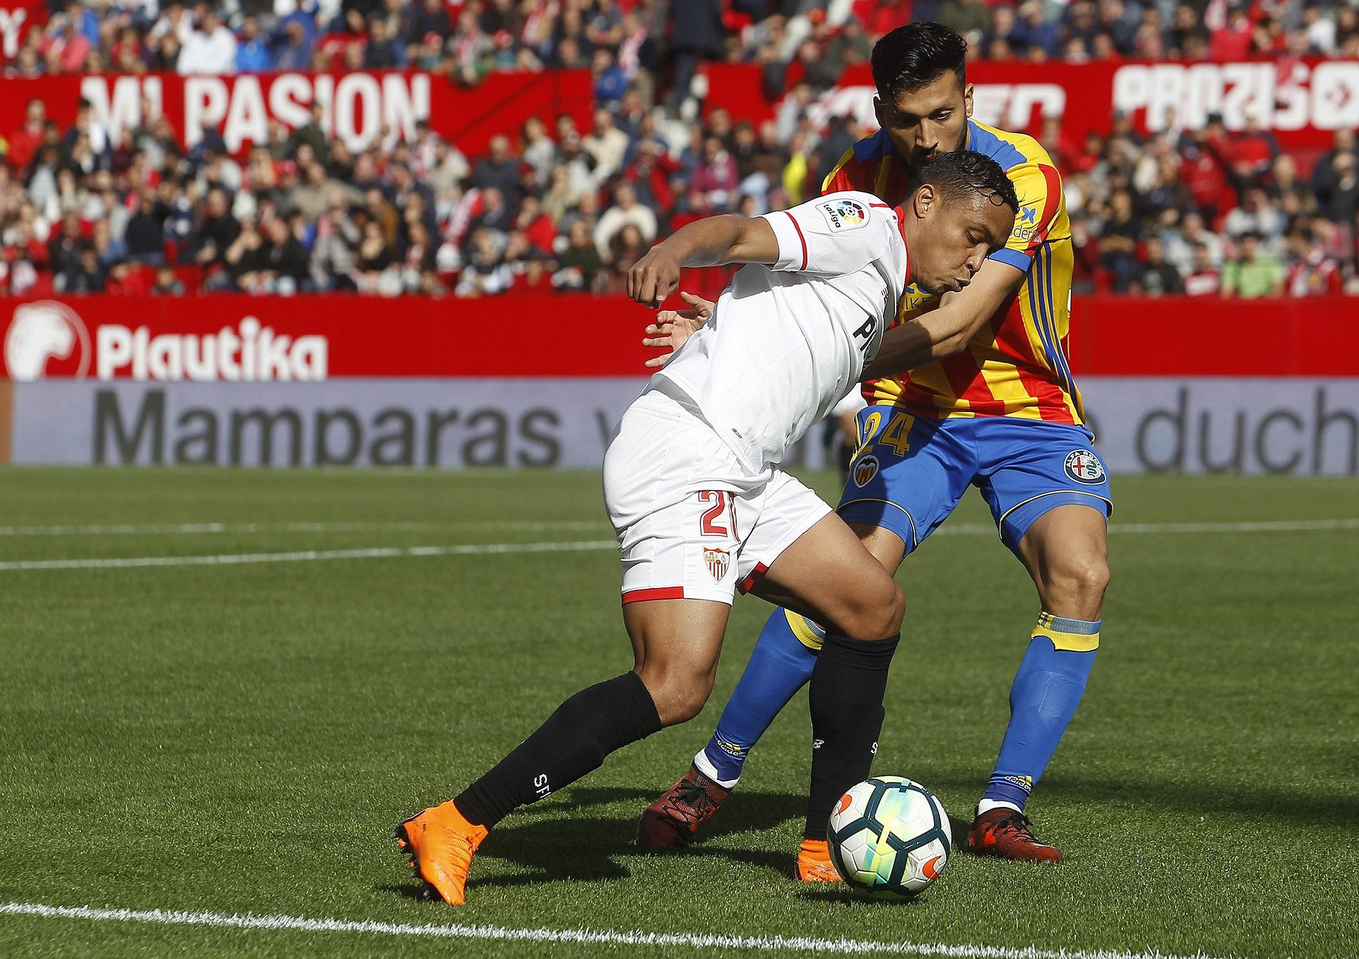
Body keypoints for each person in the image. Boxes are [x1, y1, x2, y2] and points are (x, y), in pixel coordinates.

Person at [395, 150, 1019, 906]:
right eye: (973, 236)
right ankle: (457, 821)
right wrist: (673, 250)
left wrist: (715, 324)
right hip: (687, 452)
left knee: (872, 607)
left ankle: (825, 844)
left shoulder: (885, 285)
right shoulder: (864, 224)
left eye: (990, 247)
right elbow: (741, 233)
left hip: (744, 470)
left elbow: (833, 349)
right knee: (674, 683)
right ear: (925, 203)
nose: (977, 259)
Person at [638, 22, 1111, 876]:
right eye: (905, 120)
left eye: (942, 114)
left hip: (1030, 409)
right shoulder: (853, 178)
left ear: (969, 97)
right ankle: (712, 774)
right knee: (846, 579)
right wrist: (728, 332)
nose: (925, 137)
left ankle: (1002, 806)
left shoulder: (1023, 175)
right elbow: (800, 298)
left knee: (1081, 575)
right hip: (912, 405)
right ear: (879, 109)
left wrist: (813, 361)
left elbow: (959, 322)